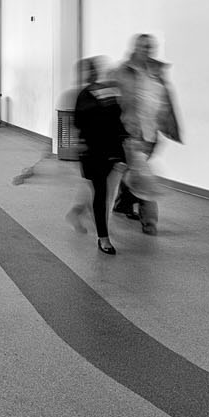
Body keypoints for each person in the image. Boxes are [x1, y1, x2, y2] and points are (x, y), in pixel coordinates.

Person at [112, 33, 183, 234]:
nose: (148, 50)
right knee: (143, 174)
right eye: (144, 47)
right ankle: (149, 222)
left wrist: (170, 126)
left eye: (151, 47)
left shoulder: (157, 72)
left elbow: (166, 100)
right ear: (135, 48)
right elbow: (113, 100)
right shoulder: (121, 72)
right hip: (131, 132)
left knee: (132, 172)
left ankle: (122, 203)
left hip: (152, 133)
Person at [68, 58, 128, 253]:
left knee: (105, 193)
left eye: (95, 69)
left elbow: (117, 119)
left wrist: (124, 141)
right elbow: (79, 122)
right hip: (94, 152)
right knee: (101, 193)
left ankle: (80, 213)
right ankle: (103, 237)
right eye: (89, 70)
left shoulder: (108, 92)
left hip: (113, 150)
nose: (92, 73)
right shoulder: (83, 96)